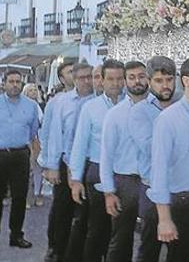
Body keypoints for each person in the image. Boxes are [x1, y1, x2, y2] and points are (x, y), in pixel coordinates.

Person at [149, 56, 189, 262]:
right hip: (184, 204)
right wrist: (164, 219)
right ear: (186, 81)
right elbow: (158, 169)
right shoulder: (168, 119)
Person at [69, 59, 124, 262]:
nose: (116, 83)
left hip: (123, 172)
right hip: (97, 171)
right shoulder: (90, 108)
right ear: (101, 80)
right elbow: (79, 145)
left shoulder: (132, 106)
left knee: (119, 229)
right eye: (111, 79)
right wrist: (75, 180)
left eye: (120, 79)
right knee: (97, 227)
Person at [0, 69, 40, 250]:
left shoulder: (30, 106)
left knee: (19, 197)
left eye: (18, 82)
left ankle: (16, 235)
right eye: (11, 81)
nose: (15, 85)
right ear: (4, 83)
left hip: (20, 154)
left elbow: (33, 130)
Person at [42, 63, 96, 262]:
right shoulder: (61, 102)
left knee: (86, 213)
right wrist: (52, 166)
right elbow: (53, 134)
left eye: (90, 76)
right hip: (67, 163)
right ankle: (56, 249)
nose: (87, 81)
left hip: (90, 164)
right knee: (62, 209)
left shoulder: (99, 101)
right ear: (74, 78)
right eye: (82, 77)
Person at [99, 60, 148, 262]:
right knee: (120, 238)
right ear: (125, 82)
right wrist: (109, 192)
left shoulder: (160, 111)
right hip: (124, 183)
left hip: (150, 182)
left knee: (152, 237)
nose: (137, 81)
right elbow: (106, 155)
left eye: (141, 76)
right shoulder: (114, 115)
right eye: (132, 77)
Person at [130, 56, 177, 262]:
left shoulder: (184, 106)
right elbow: (152, 149)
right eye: (159, 80)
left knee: (180, 249)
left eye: (169, 79)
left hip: (180, 190)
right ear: (149, 81)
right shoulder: (140, 112)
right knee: (149, 249)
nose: (165, 86)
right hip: (152, 189)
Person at [24, 83, 46, 209]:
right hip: (26, 139)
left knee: (39, 167)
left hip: (38, 139)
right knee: (28, 168)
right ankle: (27, 196)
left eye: (34, 90)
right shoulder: (22, 106)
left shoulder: (41, 106)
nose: (33, 92)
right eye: (30, 90)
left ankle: (38, 193)